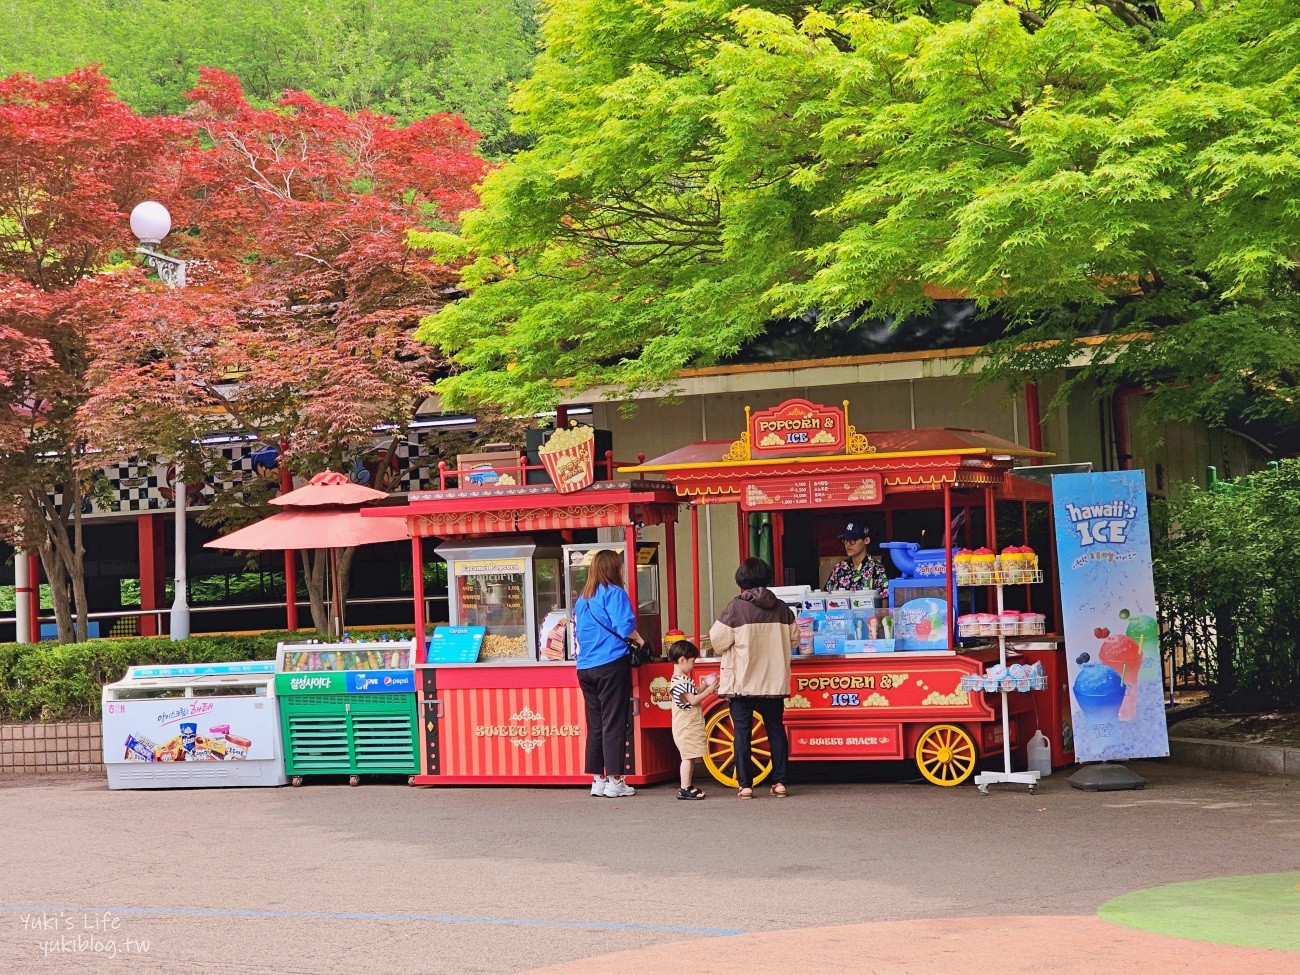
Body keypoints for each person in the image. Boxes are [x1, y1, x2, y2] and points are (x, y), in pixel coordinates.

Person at [709, 557, 800, 799]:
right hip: (773, 681)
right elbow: (795, 640)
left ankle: (746, 785)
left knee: (742, 732)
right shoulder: (782, 608)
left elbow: (718, 641)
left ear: (741, 580)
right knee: (775, 729)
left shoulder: (735, 608)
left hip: (743, 681)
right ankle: (779, 782)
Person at [573, 549, 645, 798]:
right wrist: (642, 641)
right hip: (611, 662)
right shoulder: (615, 593)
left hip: (585, 667)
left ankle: (597, 780)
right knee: (614, 721)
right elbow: (625, 626)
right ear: (613, 568)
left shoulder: (582, 599)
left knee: (595, 724)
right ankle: (616, 781)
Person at [668, 639, 717, 800]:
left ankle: (687, 786)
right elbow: (693, 700)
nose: (693, 664)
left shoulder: (682, 679)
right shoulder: (680, 681)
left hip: (688, 724)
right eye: (692, 661)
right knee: (687, 757)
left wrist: (703, 686)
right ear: (682, 660)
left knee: (689, 756)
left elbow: (694, 692)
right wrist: (709, 691)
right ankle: (684, 787)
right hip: (685, 725)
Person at [824, 520, 889, 600]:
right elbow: (826, 596)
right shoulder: (838, 568)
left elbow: (884, 601)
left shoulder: (877, 569)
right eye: (845, 540)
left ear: (866, 540)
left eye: (852, 540)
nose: (847, 544)